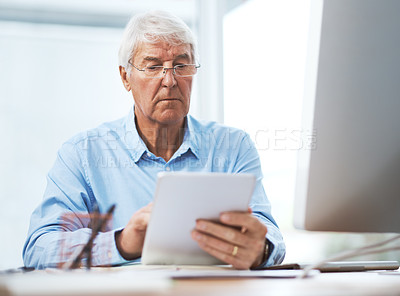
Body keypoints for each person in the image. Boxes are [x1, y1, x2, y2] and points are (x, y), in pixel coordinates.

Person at [23, 10, 285, 270]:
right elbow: (40, 248)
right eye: (153, 66)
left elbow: (269, 234)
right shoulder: (83, 154)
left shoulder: (233, 147)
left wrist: (260, 249)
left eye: (182, 65)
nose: (170, 81)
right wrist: (122, 243)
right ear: (126, 77)